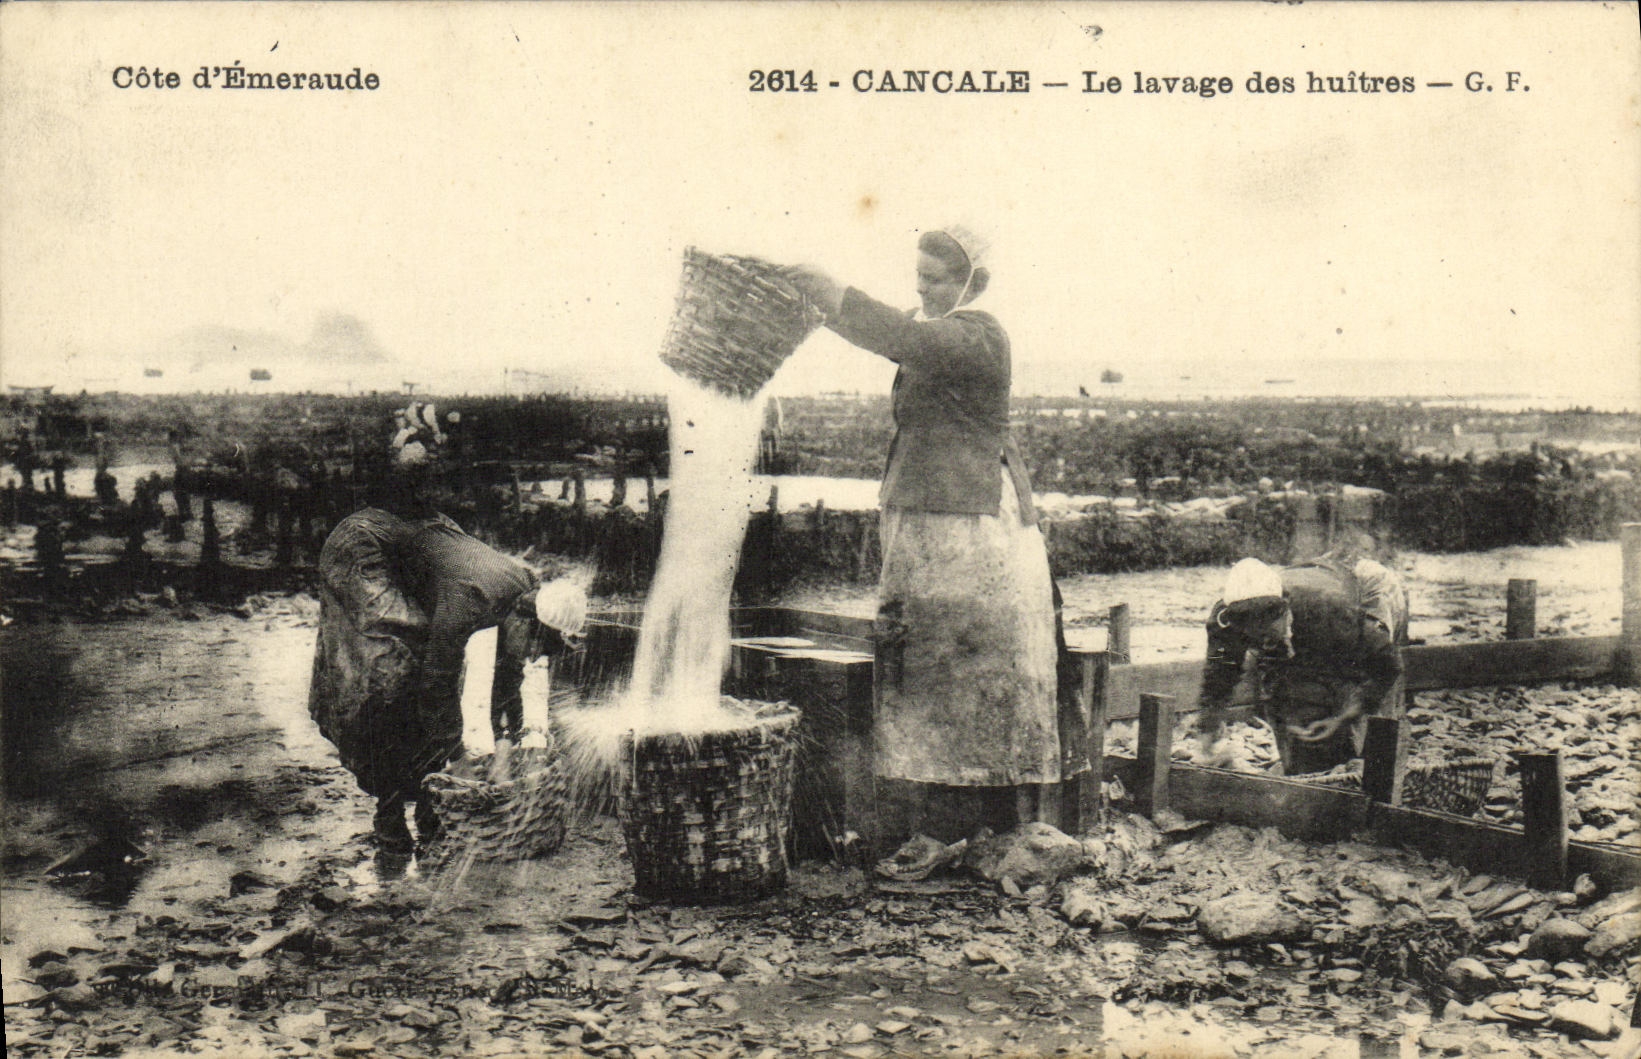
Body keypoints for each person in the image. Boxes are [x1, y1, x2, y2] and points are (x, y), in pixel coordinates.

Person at [785, 227, 1065, 844]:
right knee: (921, 657)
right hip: (926, 517)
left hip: (969, 527)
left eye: (934, 277)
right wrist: (823, 309)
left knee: (969, 659)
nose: (920, 286)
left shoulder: (979, 335)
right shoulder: (940, 337)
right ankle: (930, 813)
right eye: (918, 275)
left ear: (969, 282)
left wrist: (835, 297)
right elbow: (902, 338)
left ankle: (987, 816)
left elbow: (905, 338)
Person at [308, 407, 588, 852]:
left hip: (421, 542)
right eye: (536, 645)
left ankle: (429, 804)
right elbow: (436, 686)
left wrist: (513, 742)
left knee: (436, 677)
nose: (531, 655)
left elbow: (508, 675)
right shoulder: (474, 601)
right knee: (397, 678)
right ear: (527, 618)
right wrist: (457, 757)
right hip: (369, 546)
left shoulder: (523, 593)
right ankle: (391, 812)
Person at [1198, 551, 1410, 776]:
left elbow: (1387, 664)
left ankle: (1376, 777)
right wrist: (1208, 736)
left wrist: (1345, 715)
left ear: (1285, 611)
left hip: (1365, 585)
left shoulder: (1326, 611)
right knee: (1286, 691)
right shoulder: (1225, 624)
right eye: (1256, 640)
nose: (1263, 643)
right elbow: (1218, 675)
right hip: (1318, 582)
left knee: (1371, 704)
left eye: (1270, 635)